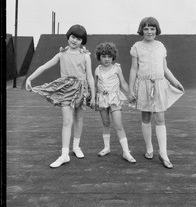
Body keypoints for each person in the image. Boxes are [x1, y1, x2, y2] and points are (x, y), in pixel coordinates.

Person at [25, 24, 95, 168]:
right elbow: (44, 66)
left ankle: (76, 146)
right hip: (66, 89)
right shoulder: (61, 54)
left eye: (79, 39)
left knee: (79, 118)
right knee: (67, 121)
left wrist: (93, 96)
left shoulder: (85, 56)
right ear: (68, 36)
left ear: (82, 41)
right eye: (73, 37)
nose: (75, 41)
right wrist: (29, 78)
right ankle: (64, 154)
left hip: (81, 90)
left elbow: (90, 77)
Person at [129, 17, 184, 169]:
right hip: (143, 86)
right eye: (146, 29)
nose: (149, 32)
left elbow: (165, 68)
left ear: (156, 30)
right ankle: (149, 149)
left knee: (160, 117)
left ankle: (164, 153)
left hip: (159, 85)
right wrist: (130, 89)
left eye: (152, 29)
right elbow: (134, 69)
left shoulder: (160, 46)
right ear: (142, 30)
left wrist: (176, 82)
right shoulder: (137, 47)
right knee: (146, 116)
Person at [94, 42, 136, 163]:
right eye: (103, 56)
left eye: (109, 56)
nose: (106, 59)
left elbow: (123, 83)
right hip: (102, 99)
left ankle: (126, 152)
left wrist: (130, 93)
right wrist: (93, 98)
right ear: (99, 57)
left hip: (114, 99)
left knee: (118, 124)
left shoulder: (116, 68)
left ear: (113, 57)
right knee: (106, 123)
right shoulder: (97, 69)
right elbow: (96, 84)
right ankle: (106, 148)